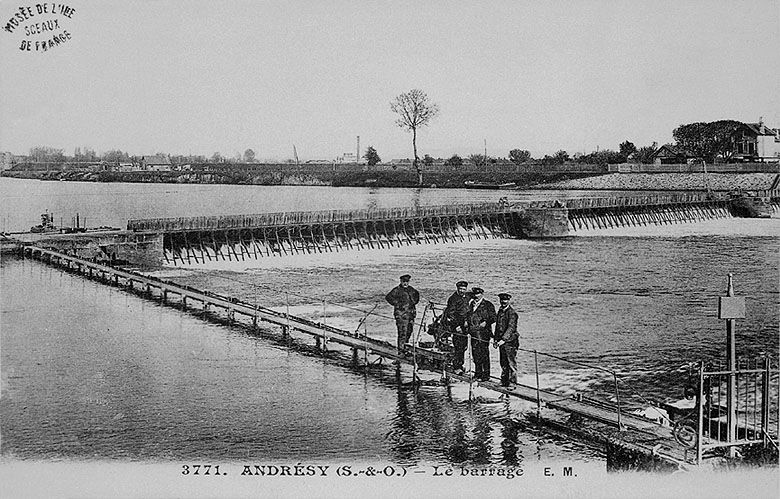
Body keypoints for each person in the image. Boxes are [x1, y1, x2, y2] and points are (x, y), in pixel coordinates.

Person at [385, 274, 420, 353]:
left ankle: (405, 348)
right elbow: (388, 297)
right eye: (404, 281)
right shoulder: (396, 290)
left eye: (407, 282)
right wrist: (397, 304)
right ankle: (401, 351)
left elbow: (417, 296)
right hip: (401, 315)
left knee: (409, 332)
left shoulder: (412, 290)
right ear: (401, 281)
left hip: (410, 315)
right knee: (402, 333)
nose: (405, 283)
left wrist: (414, 302)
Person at [467, 287, 496, 381]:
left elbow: (493, 317)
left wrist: (486, 322)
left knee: (484, 354)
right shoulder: (471, 304)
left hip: (484, 333)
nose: (476, 296)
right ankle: (478, 373)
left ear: (482, 294)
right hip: (473, 333)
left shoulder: (488, 305)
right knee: (475, 354)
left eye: (478, 294)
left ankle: (486, 375)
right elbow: (469, 316)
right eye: (474, 294)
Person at [444, 280, 471, 374]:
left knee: (464, 347)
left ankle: (460, 364)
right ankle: (456, 367)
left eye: (464, 289)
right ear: (457, 288)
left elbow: (475, 295)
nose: (462, 291)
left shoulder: (467, 296)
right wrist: (456, 326)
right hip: (457, 326)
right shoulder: (453, 299)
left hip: (465, 326)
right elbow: (450, 314)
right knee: (458, 347)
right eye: (460, 289)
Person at [493, 293, 519, 387]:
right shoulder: (500, 311)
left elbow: (511, 328)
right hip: (501, 342)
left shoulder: (512, 313)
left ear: (509, 301)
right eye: (502, 300)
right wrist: (495, 339)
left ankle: (512, 383)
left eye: (505, 300)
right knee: (503, 362)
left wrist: (503, 339)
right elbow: (497, 326)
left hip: (510, 342)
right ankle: (504, 381)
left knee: (511, 363)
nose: (503, 302)